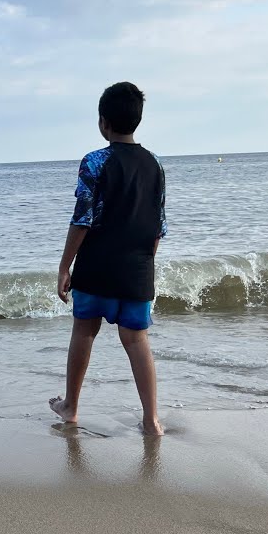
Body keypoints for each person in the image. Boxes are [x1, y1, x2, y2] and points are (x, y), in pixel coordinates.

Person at [50, 82, 167, 436]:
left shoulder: (95, 161)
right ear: (137, 120)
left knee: (84, 332)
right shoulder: (155, 165)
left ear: (104, 122)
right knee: (136, 340)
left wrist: (64, 266)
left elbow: (82, 218)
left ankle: (71, 407)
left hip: (97, 266)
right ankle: (151, 420)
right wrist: (145, 265)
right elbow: (157, 226)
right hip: (137, 269)